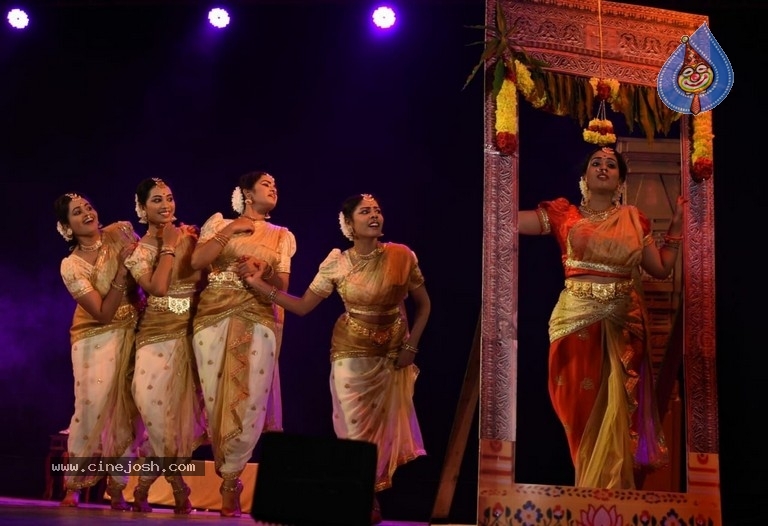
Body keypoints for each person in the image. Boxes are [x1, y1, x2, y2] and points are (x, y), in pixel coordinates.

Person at [238, 193, 431, 525]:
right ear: (349, 224)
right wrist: (259, 286)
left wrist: (411, 347)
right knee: (354, 430)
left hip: (390, 354)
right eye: (365, 211)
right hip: (350, 353)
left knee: (383, 431)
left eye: (378, 210)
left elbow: (422, 305)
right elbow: (301, 307)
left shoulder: (402, 255)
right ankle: (364, 498)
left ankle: (365, 492)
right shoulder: (336, 263)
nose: (374, 215)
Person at [516, 146, 684, 490]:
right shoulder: (565, 215)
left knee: (618, 415)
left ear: (621, 181)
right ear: (584, 178)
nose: (603, 167)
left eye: (611, 164)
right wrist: (498, 173)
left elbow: (661, 268)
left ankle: (610, 500)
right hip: (574, 321)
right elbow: (508, 221)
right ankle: (589, 493)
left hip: (624, 325)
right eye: (596, 163)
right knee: (577, 413)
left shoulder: (635, 219)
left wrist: (677, 230)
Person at [189, 170, 296, 517]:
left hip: (257, 317)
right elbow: (197, 262)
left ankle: (230, 482)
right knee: (217, 396)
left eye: (275, 185)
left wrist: (261, 271)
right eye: (266, 184)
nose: (274, 188)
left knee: (249, 398)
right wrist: (230, 231)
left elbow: (281, 282)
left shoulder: (282, 236)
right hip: (212, 318)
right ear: (247, 193)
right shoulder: (220, 223)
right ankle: (220, 469)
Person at [54, 192, 144, 510]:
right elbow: (103, 314)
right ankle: (73, 486)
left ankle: (118, 487)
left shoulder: (121, 232)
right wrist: (121, 273)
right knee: (90, 408)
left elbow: (148, 271)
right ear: (66, 226)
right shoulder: (71, 265)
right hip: (93, 337)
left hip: (134, 330)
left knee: (129, 412)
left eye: (89, 207)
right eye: (78, 213)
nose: (88, 214)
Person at [123, 177, 207, 513]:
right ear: (142, 208)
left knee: (179, 422)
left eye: (169, 198)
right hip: (154, 337)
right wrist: (169, 247)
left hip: (190, 337)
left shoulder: (194, 236)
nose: (166, 206)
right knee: (156, 416)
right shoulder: (137, 253)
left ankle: (145, 487)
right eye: (156, 200)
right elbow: (157, 288)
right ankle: (177, 486)